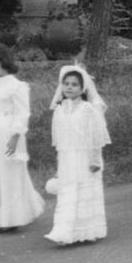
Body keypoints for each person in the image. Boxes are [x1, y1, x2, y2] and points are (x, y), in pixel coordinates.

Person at [0, 44, 44, 233]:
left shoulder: (17, 86)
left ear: (4, 63)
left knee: (8, 173)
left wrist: (16, 135)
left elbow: (23, 112)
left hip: (8, 131)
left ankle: (10, 218)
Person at [45, 65, 110, 245]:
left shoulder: (88, 109)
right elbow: (59, 139)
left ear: (82, 89)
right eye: (66, 84)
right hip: (67, 157)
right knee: (67, 192)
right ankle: (63, 231)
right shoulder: (59, 109)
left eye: (74, 84)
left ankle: (87, 230)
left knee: (84, 190)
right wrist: (59, 163)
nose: (69, 87)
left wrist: (95, 159)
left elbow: (95, 135)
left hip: (85, 156)